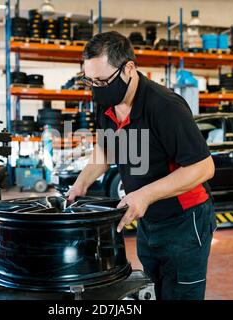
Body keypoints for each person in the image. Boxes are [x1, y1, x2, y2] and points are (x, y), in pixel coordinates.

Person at [67, 31, 216, 300]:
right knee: (157, 290)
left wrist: (144, 194)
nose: (96, 88)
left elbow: (203, 168)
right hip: (148, 219)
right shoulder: (106, 104)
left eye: (102, 80)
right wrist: (80, 183)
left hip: (185, 220)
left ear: (129, 68)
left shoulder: (165, 106)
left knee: (181, 294)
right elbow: (105, 151)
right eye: (90, 81)